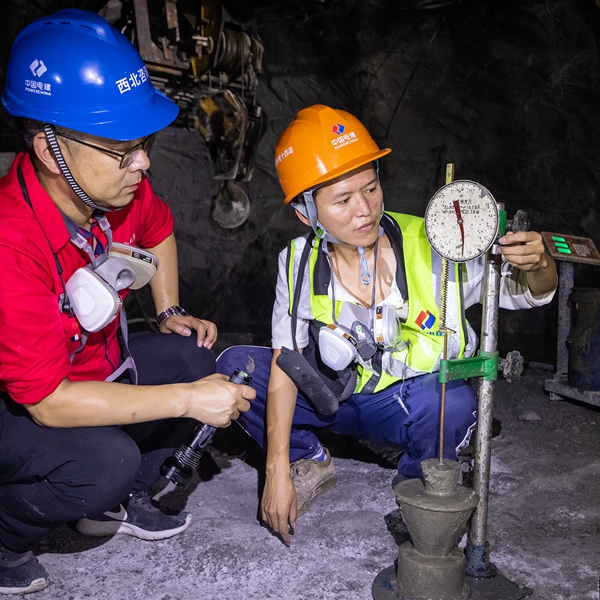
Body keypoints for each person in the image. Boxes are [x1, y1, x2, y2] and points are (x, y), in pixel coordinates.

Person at [0, 9, 254, 595]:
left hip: (69, 364)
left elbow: (159, 227)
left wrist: (168, 311)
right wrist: (190, 400)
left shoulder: (109, 190)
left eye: (142, 143)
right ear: (50, 149)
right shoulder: (4, 245)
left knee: (193, 354)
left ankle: (129, 495)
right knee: (103, 461)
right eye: (122, 148)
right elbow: (47, 403)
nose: (142, 162)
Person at [217, 104, 557, 546]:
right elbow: (286, 361)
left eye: (372, 188)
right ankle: (310, 458)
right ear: (306, 213)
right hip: (331, 396)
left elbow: (529, 291)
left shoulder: (434, 241)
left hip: (403, 403)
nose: (365, 209)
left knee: (451, 404)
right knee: (237, 370)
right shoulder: (297, 261)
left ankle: (418, 484)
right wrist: (276, 468)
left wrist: (539, 261)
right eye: (342, 200)